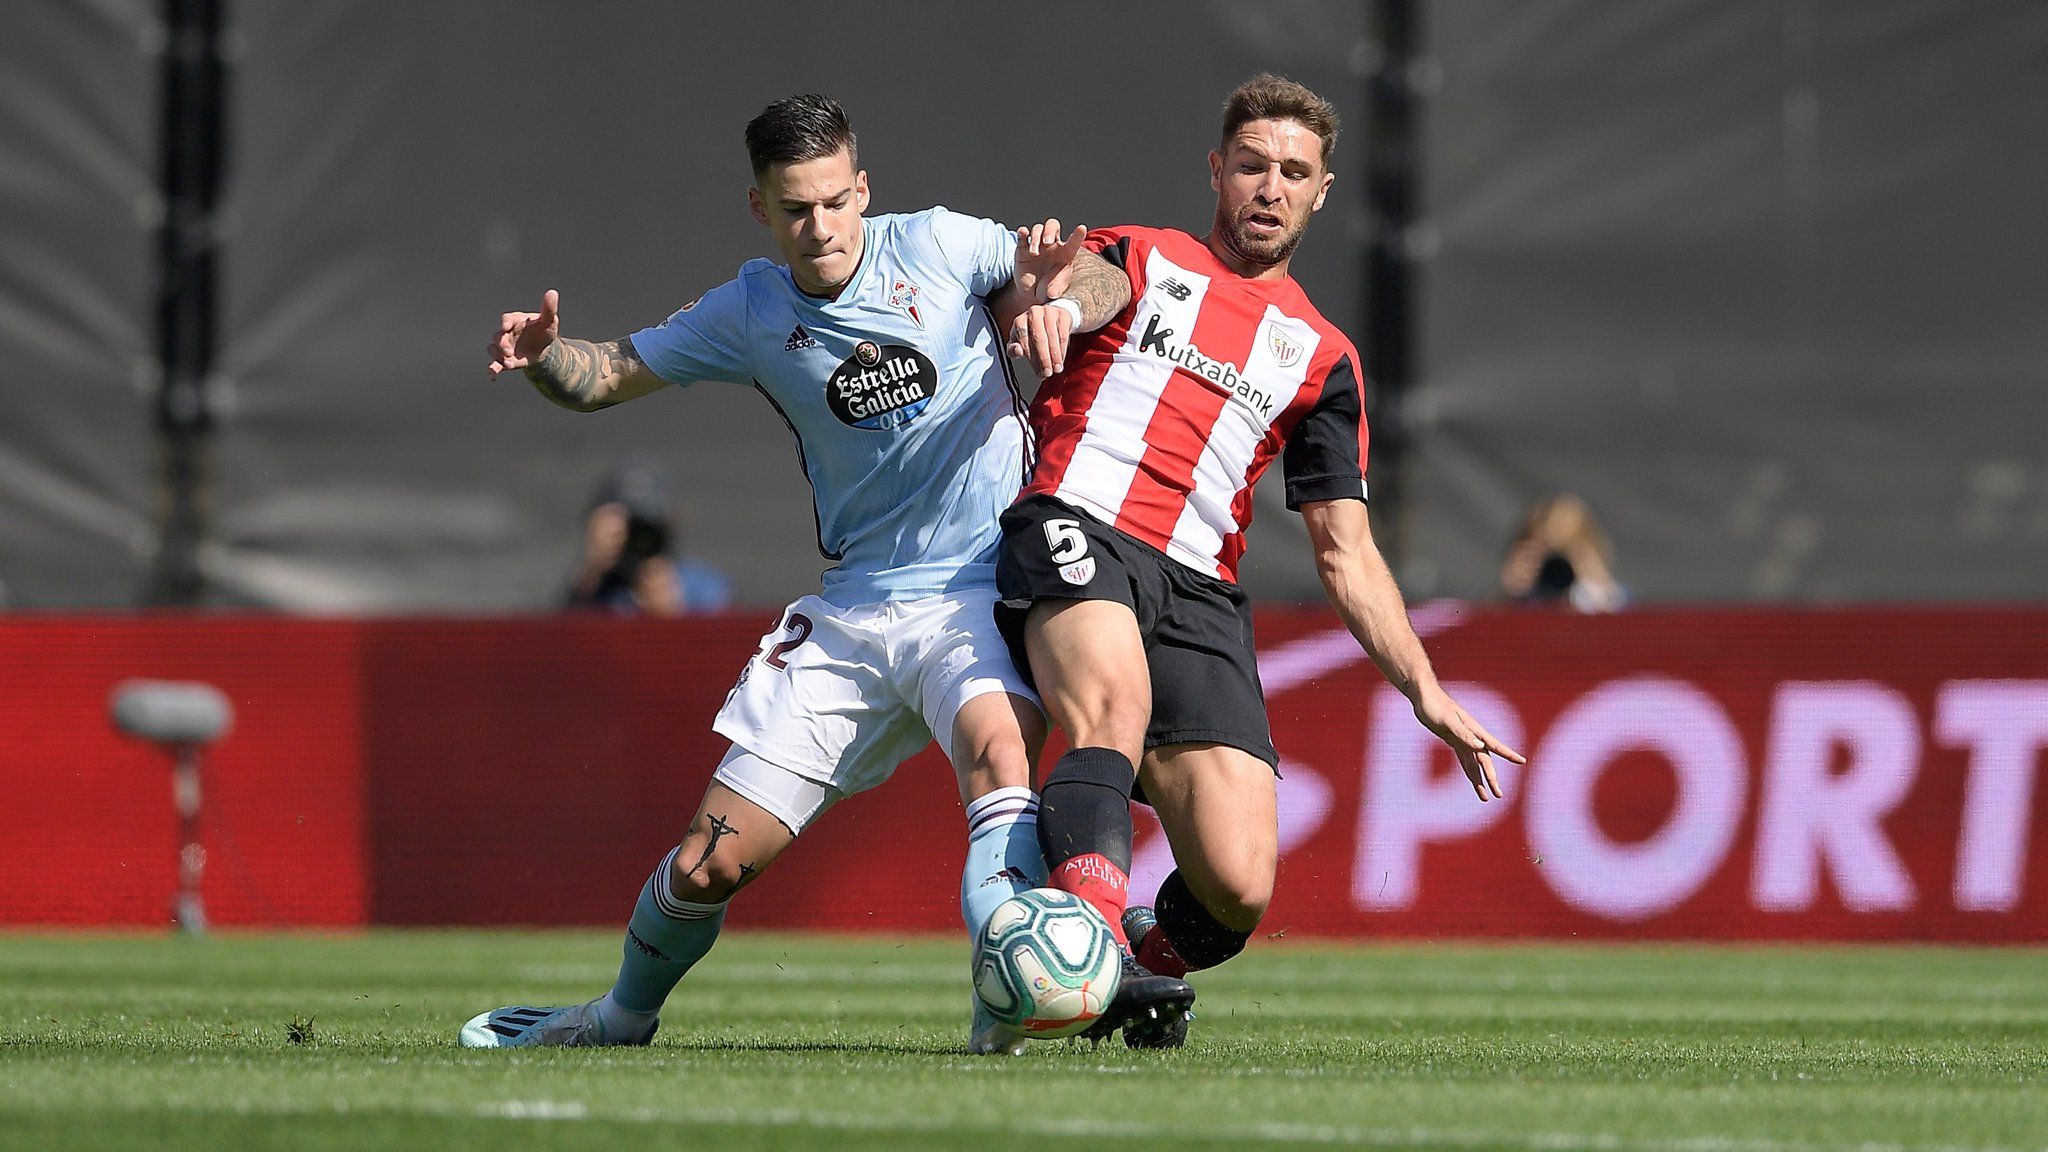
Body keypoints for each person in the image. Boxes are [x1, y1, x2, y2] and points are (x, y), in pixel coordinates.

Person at [461, 93, 1158, 1055]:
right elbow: (609, 373)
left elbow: (1100, 275)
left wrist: (1059, 303)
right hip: (854, 612)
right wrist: (544, 359)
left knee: (1003, 758)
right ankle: (620, 1017)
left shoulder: (945, 244)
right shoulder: (750, 310)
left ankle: (1002, 1016)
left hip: (981, 591)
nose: (820, 227)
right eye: (796, 209)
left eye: (836, 202)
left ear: (862, 189)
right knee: (707, 868)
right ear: (760, 210)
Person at [999, 75, 1526, 1047]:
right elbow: (1074, 292)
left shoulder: (1323, 357)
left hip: (1196, 588)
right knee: (1107, 709)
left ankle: (1141, 962)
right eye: (1251, 165)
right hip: (1078, 525)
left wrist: (1423, 689)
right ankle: (1088, 952)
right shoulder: (1142, 257)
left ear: (1321, 190)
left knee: (1236, 885)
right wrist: (1045, 303)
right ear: (1216, 169)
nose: (1268, 187)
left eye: (1292, 171)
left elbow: (1345, 551)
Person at [564, 460, 732, 616]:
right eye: (629, 525)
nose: (638, 537)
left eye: (648, 523)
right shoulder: (598, 588)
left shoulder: (703, 586)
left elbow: (731, 639)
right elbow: (561, 636)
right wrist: (591, 573)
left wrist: (674, 612)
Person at [1498, 493, 1626, 613]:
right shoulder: (1519, 598)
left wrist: (1600, 588)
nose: (1557, 569)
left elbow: (1625, 622)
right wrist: (1508, 593)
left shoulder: (1613, 596)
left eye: (1566, 552)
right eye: (1544, 550)